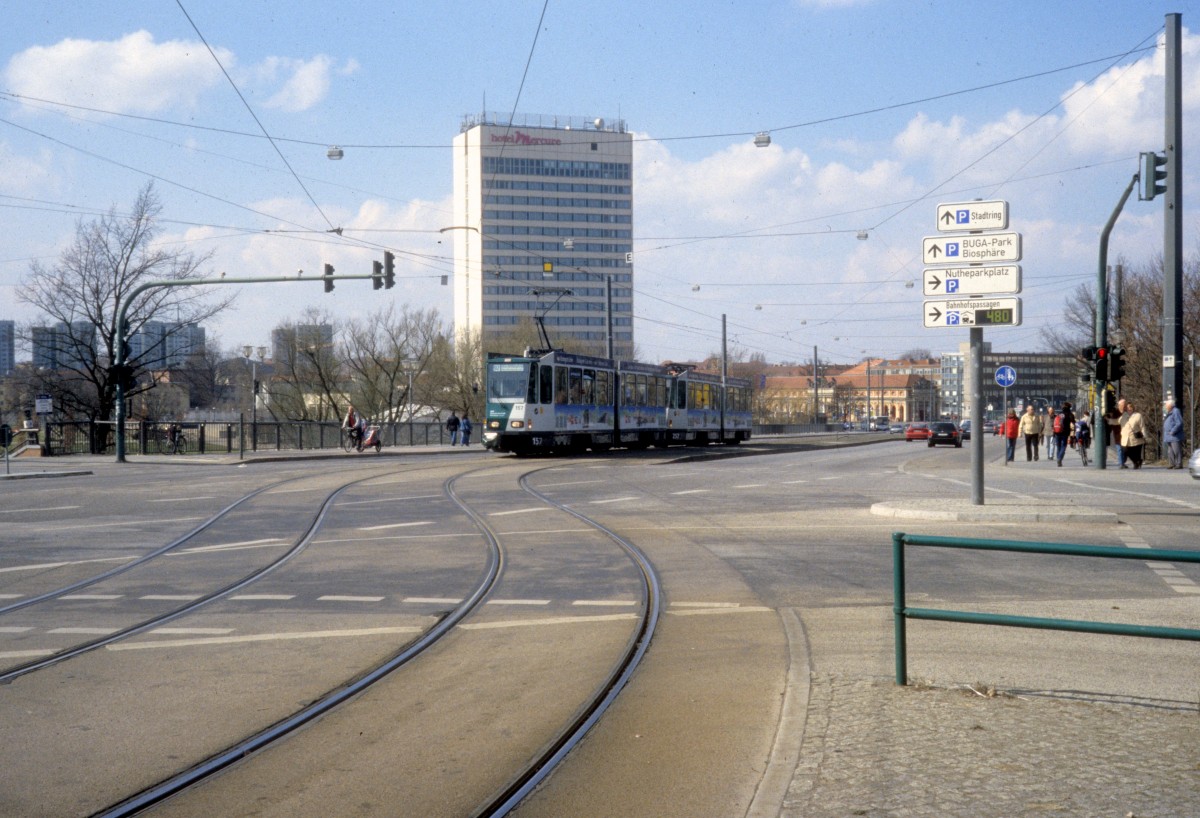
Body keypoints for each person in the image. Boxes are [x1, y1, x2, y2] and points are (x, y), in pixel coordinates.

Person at [1121, 400, 1146, 469]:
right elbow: (1118, 422)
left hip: (1136, 438)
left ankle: (1136, 463)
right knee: (1126, 451)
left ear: (1133, 408)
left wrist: (1144, 435)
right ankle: (1137, 461)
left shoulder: (1138, 415)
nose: (1129, 408)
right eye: (1127, 407)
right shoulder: (1123, 415)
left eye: (1130, 407)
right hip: (1125, 438)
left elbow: (1142, 426)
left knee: (1136, 453)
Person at [1163, 399, 1185, 469]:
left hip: (1174, 435)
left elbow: (1179, 423)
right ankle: (1171, 463)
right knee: (1170, 451)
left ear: (1170, 405)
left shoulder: (1175, 411)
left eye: (1166, 405)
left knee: (1176, 450)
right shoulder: (1169, 412)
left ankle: (1179, 464)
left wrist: (1173, 431)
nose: (1165, 407)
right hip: (1168, 436)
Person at [1054, 400, 1075, 467]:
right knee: (1063, 446)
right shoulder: (1070, 414)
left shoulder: (1059, 413)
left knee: (1058, 446)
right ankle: (1059, 459)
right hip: (1065, 432)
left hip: (1057, 432)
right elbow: (1073, 422)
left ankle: (1058, 459)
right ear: (1069, 407)